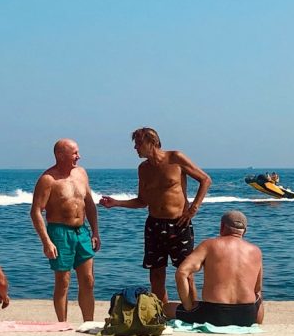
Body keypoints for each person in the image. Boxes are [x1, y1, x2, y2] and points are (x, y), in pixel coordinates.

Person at [99, 127, 212, 303]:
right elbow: (142, 201)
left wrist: (193, 209)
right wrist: (116, 203)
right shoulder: (143, 169)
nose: (135, 148)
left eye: (139, 143)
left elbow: (205, 180)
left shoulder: (175, 158)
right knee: (156, 275)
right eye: (135, 144)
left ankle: (192, 313)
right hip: (154, 225)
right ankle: (161, 314)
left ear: (152, 142)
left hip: (179, 223)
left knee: (186, 272)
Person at [30, 139, 100, 322]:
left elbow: (90, 204)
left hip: (82, 231)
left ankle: (88, 322)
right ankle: (62, 324)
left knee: (88, 280)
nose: (79, 156)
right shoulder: (48, 179)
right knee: (63, 282)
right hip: (59, 233)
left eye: (78, 152)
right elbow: (36, 211)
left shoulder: (81, 173)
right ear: (61, 155)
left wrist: (95, 232)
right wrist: (46, 241)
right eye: (75, 153)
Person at [173, 210, 264, 327]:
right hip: (247, 316)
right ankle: (258, 319)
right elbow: (257, 288)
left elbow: (182, 272)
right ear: (244, 231)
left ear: (222, 226)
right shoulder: (256, 251)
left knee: (167, 308)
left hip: (215, 314)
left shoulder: (209, 245)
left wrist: (188, 307)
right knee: (257, 293)